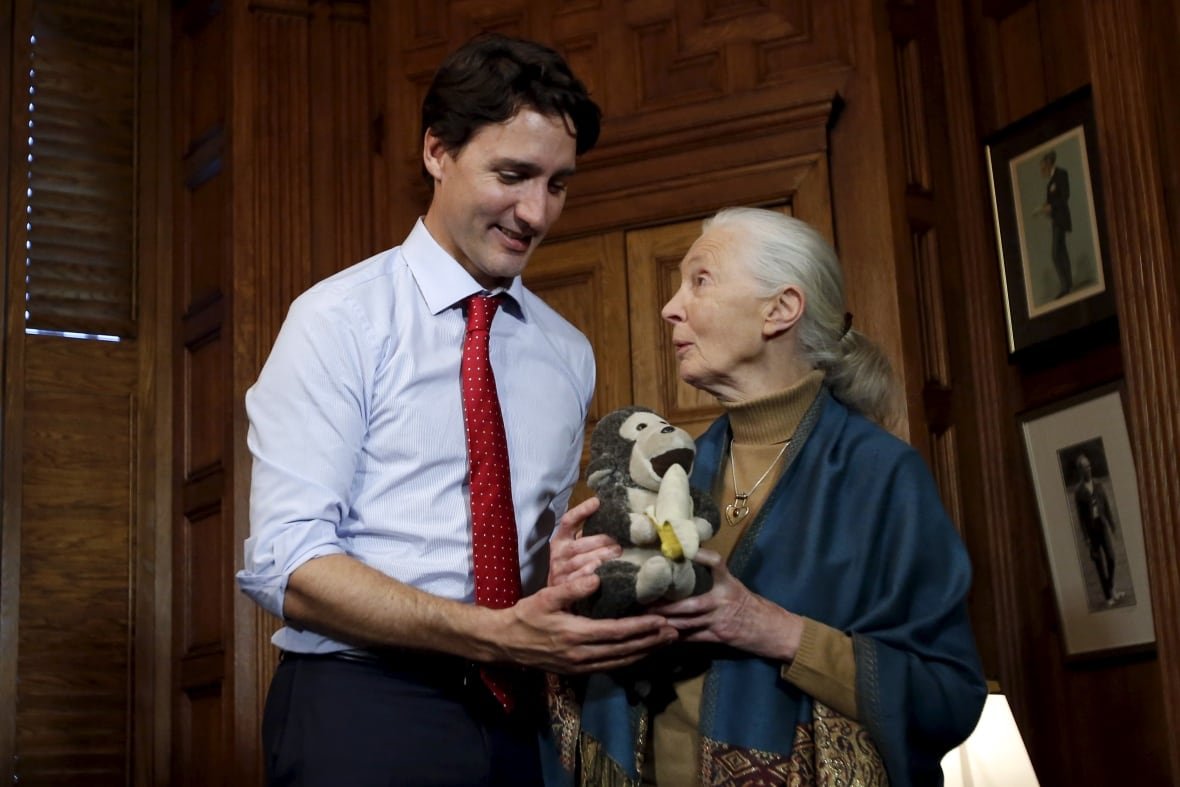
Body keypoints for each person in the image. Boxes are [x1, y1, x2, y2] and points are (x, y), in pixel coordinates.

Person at [235, 33, 676, 787]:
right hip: (363, 708)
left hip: (524, 717)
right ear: (437, 151)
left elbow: (520, 563)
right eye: (513, 174)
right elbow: (292, 564)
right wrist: (496, 635)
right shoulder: (337, 319)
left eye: (559, 185)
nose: (536, 213)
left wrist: (568, 575)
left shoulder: (567, 353)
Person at [547, 207, 987, 786]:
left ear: (780, 309)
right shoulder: (669, 470)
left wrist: (768, 626)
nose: (670, 307)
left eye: (699, 281)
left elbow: (948, 696)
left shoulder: (880, 475)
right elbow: (599, 663)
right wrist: (577, 590)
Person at [1073, 451, 1123, 608]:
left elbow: (1106, 505)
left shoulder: (1099, 484)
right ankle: (1109, 596)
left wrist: (1112, 524)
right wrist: (1086, 538)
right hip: (1092, 532)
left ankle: (1111, 587)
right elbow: (1081, 518)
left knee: (1112, 558)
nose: (1089, 469)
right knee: (1099, 564)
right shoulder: (1078, 492)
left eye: (1089, 466)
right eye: (1085, 467)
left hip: (1102, 526)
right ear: (1080, 471)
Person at [1036, 149, 1073, 298]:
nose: (1042, 170)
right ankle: (1068, 284)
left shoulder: (1061, 175)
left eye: (1043, 166)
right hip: (1055, 220)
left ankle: (1065, 286)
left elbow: (1065, 196)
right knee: (1061, 251)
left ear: (1049, 163)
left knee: (1056, 253)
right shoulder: (1050, 183)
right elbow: (1052, 200)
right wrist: (1044, 208)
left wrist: (1051, 206)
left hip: (1061, 219)